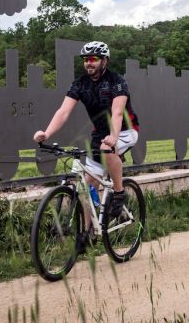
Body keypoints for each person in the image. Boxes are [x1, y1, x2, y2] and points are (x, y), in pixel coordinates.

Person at [33, 41, 139, 252]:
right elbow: (63, 112)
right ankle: (88, 232)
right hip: (99, 136)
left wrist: (113, 136)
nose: (88, 63)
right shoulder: (80, 84)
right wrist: (46, 133)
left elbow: (118, 113)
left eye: (93, 59)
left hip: (125, 131)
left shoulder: (117, 82)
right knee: (86, 186)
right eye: (85, 60)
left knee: (108, 149)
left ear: (104, 61)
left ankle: (119, 193)